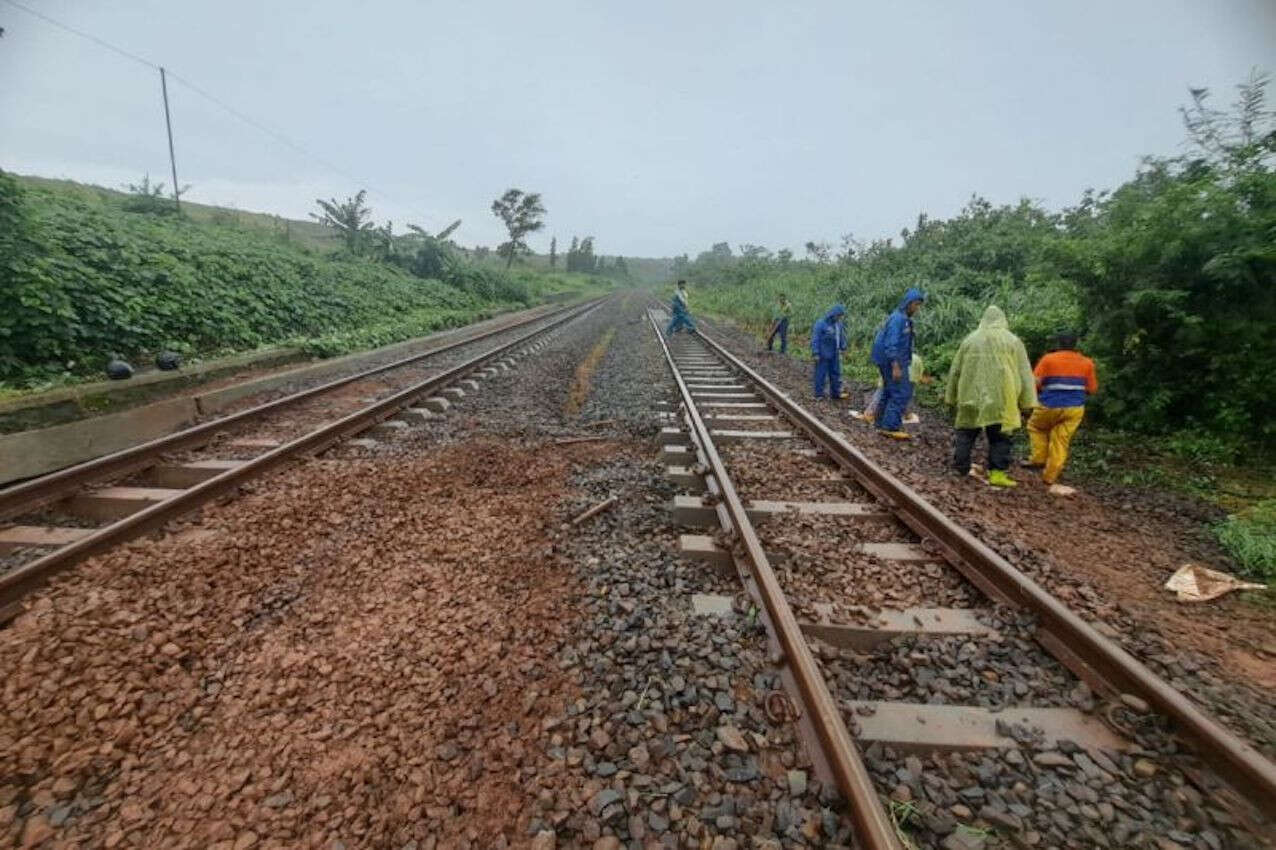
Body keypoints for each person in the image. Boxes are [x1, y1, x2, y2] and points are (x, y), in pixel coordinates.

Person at [944, 305, 1038, 488]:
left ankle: (960, 468)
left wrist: (951, 396)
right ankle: (997, 474)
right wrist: (1028, 402)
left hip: (971, 395)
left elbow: (956, 370)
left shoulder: (970, 340)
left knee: (966, 432)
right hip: (1002, 399)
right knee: (1001, 437)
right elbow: (1024, 372)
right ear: (1003, 320)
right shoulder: (1012, 341)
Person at [1026, 331, 1098, 489]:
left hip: (1049, 405)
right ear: (1076, 344)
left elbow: (1035, 383)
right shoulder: (1087, 363)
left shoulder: (1048, 359)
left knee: (1036, 427)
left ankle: (1038, 458)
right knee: (1061, 440)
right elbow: (1092, 389)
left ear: (1058, 343)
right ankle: (1049, 477)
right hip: (1074, 409)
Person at [870, 287, 926, 438]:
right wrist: (895, 365)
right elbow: (891, 343)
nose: (918, 308)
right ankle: (890, 426)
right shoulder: (898, 319)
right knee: (901, 392)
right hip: (891, 360)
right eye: (916, 304)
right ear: (908, 303)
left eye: (919, 305)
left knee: (889, 391)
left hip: (893, 359)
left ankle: (880, 422)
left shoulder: (904, 319)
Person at [810, 303, 847, 400]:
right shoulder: (821, 324)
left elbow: (841, 337)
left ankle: (835, 394)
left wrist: (843, 347)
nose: (839, 317)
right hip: (823, 354)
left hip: (835, 354)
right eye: (838, 315)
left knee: (835, 374)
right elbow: (815, 339)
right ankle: (818, 394)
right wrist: (816, 352)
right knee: (820, 374)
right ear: (833, 314)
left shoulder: (838, 324)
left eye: (841, 316)